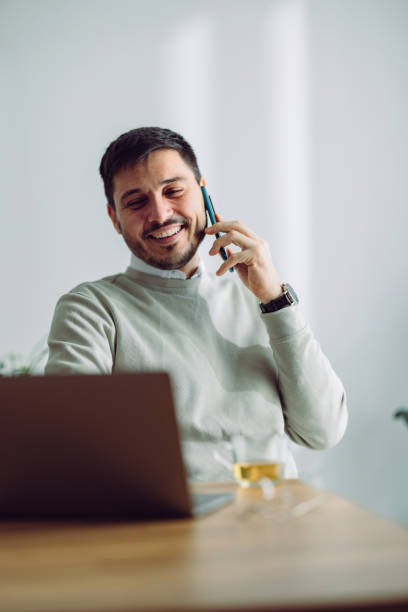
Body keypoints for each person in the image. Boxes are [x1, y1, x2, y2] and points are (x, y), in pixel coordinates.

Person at [45, 127, 348, 481]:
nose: (159, 214)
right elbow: (69, 447)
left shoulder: (261, 300)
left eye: (173, 190)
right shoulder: (92, 309)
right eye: (136, 202)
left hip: (270, 519)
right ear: (115, 218)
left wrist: (276, 301)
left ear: (204, 193)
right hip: (166, 526)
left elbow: (323, 432)